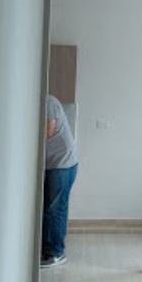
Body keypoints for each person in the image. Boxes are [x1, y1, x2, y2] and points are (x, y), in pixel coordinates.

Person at [41, 94, 79, 268]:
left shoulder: (49, 102)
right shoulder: (42, 103)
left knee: (55, 210)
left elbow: (47, 132)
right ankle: (48, 250)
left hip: (62, 163)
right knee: (52, 209)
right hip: (54, 164)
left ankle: (55, 253)